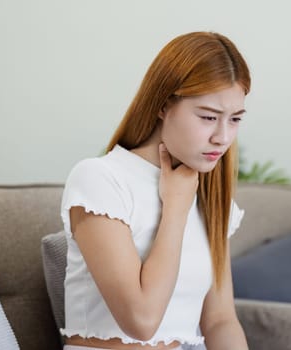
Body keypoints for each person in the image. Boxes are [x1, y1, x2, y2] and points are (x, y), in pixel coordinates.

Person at [60, 31, 251, 350]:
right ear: (163, 106)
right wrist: (175, 207)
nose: (222, 137)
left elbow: (220, 321)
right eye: (208, 117)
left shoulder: (212, 195)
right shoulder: (100, 179)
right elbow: (142, 321)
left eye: (235, 119)